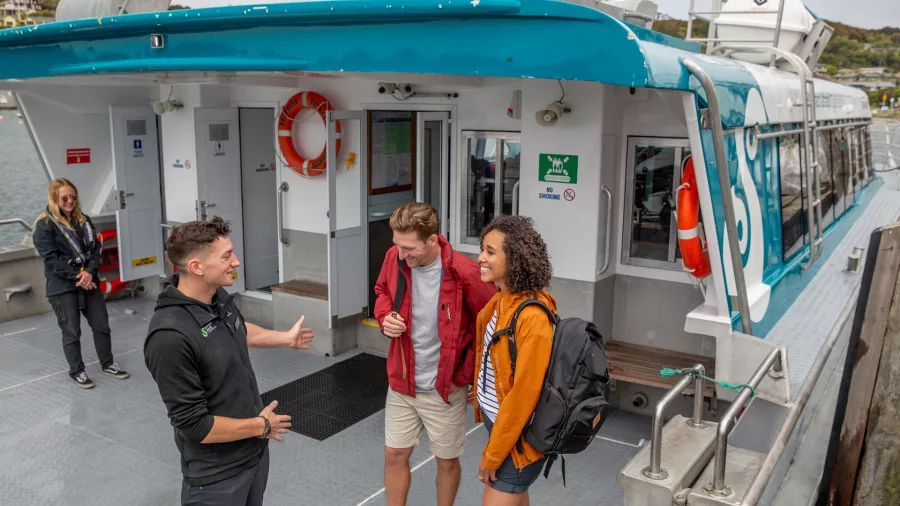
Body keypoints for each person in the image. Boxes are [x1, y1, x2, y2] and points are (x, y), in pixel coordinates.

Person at [143, 217, 314, 506]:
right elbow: (195, 426)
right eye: (226, 256)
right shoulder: (169, 336)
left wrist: (284, 338)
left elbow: (237, 329)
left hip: (254, 455)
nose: (235, 262)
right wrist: (261, 425)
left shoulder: (216, 297)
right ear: (197, 267)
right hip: (217, 478)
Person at [374, 202, 497, 506]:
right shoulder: (394, 258)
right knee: (394, 454)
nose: (402, 254)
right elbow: (382, 292)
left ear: (432, 240)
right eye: (397, 246)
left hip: (444, 389)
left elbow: (493, 327)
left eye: (409, 248)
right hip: (403, 382)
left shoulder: (466, 273)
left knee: (446, 461)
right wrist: (384, 317)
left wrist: (467, 375)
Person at [473, 215, 556, 506]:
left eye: (491, 252)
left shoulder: (532, 317)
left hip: (518, 442)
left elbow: (523, 395)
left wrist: (493, 455)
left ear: (516, 259)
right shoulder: (499, 301)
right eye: (482, 248)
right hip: (502, 430)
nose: (481, 257)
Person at [33, 178, 129, 389]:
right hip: (63, 287)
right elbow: (51, 259)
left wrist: (89, 273)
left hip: (89, 283)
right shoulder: (44, 225)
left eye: (73, 197)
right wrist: (79, 277)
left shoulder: (83, 220)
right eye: (64, 198)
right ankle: (77, 371)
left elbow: (95, 249)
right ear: (55, 199)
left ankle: (108, 363)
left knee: (101, 325)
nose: (70, 201)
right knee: (71, 331)